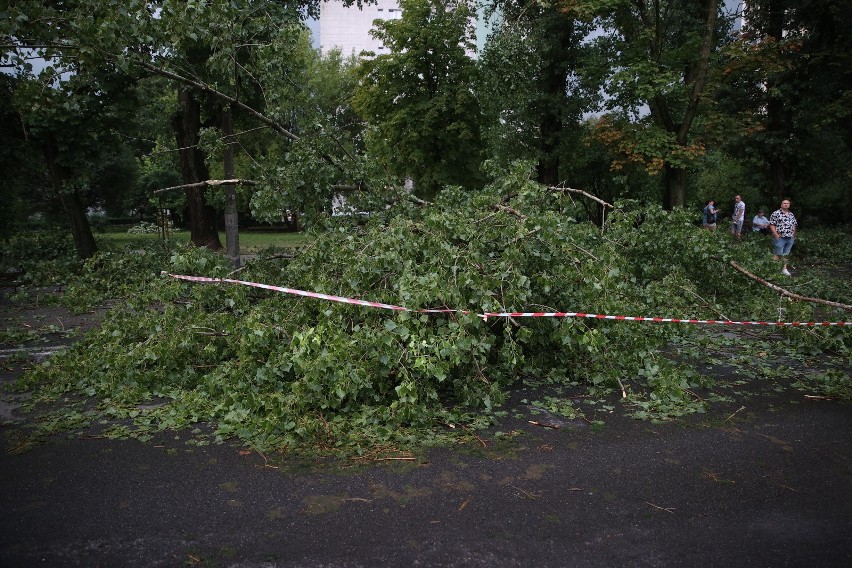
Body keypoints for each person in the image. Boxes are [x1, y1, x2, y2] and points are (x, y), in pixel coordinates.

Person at [769, 198, 797, 276]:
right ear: (781, 205)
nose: (786, 204)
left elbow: (794, 224)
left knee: (786, 254)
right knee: (777, 254)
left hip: (790, 238)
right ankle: (774, 270)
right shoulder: (776, 213)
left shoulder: (791, 214)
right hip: (780, 237)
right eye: (784, 203)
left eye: (787, 203)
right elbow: (772, 224)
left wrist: (793, 235)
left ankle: (784, 269)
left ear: (789, 205)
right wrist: (776, 235)